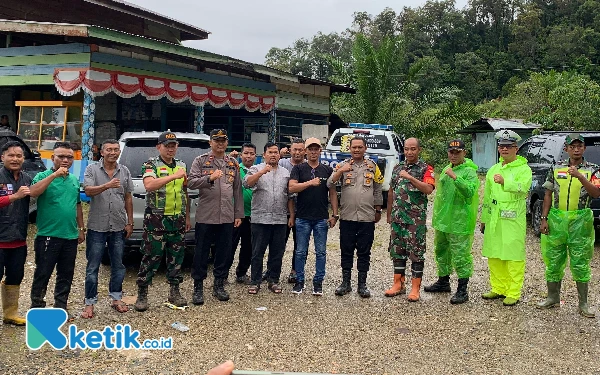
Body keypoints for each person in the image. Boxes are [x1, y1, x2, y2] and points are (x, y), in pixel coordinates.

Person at [538, 133, 598, 317]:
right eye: (573, 146)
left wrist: (580, 176)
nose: (576, 149)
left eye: (580, 146)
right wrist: (544, 218)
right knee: (554, 259)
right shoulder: (556, 168)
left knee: (580, 261)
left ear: (584, 149)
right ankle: (553, 297)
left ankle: (584, 304)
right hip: (557, 220)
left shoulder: (593, 170)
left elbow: (595, 193)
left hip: (580, 222)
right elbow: (548, 194)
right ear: (567, 149)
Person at [134, 131, 191, 312]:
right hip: (156, 220)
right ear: (159, 146)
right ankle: (142, 293)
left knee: (176, 257)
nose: (170, 149)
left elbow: (184, 192)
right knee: (151, 256)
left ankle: (174, 291)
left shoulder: (181, 165)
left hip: (177, 219)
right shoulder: (151, 164)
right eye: (167, 146)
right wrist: (173, 176)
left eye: (173, 145)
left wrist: (187, 215)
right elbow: (149, 185)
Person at [188, 129, 243, 304]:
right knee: (201, 252)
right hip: (206, 215)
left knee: (223, 252)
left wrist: (238, 214)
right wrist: (209, 178)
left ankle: (219, 284)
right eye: (216, 140)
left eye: (223, 141)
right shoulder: (201, 161)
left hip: (227, 215)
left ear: (227, 143)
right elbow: (190, 182)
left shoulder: (233, 163)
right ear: (210, 142)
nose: (220, 144)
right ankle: (198, 286)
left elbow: (238, 190)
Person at [29, 142, 85, 314]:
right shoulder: (42, 176)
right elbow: (33, 192)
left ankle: (60, 306)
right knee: (43, 272)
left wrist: (81, 228)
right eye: (61, 156)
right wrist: (54, 176)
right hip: (48, 235)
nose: (65, 160)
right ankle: (37, 306)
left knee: (66, 274)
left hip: (70, 236)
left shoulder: (74, 179)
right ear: (52, 158)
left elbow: (77, 205)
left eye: (69, 157)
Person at [81, 139, 134, 318]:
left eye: (116, 150)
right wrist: (106, 185)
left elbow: (128, 198)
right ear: (102, 152)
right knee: (93, 266)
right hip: (97, 226)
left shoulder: (124, 171)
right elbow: (88, 191)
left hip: (118, 226)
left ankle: (116, 298)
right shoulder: (92, 170)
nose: (113, 152)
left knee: (118, 265)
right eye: (109, 149)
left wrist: (130, 222)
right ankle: (89, 302)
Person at [481, 129, 532, 306]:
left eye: (508, 147)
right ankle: (498, 288)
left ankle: (513, 291)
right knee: (494, 254)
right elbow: (487, 197)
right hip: (495, 218)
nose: (504, 150)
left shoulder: (523, 168)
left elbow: (524, 187)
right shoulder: (493, 169)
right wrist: (484, 219)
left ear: (516, 149)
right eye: (501, 146)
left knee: (513, 255)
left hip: (512, 219)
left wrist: (505, 182)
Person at [425, 139, 479, 304]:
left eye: (457, 152)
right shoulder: (446, 169)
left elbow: (469, 192)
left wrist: (456, 177)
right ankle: (443, 281)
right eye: (451, 152)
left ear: (464, 153)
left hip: (459, 221)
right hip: (443, 220)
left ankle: (462, 289)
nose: (453, 155)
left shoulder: (470, 171)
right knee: (441, 251)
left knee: (461, 255)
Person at [328, 137, 383, 298]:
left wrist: (378, 209)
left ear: (365, 148)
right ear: (350, 149)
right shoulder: (343, 165)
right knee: (346, 250)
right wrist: (340, 171)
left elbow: (378, 188)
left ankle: (362, 284)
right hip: (347, 216)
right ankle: (345, 283)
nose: (357, 150)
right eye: (354, 147)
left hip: (366, 217)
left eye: (360, 147)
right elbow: (330, 184)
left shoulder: (373, 166)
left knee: (364, 251)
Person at [385, 138, 435, 302]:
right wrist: (389, 214)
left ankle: (415, 288)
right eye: (406, 149)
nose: (409, 152)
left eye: (413, 149)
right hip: (398, 219)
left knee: (416, 254)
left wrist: (411, 178)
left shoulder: (425, 169)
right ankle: (398, 284)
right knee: (397, 252)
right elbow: (392, 191)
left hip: (415, 221)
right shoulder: (398, 167)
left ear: (419, 150)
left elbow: (428, 189)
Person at [289, 137, 338, 295]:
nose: (313, 152)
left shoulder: (326, 170)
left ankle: (318, 282)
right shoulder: (299, 168)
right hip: (302, 217)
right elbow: (292, 188)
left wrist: (335, 215)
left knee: (321, 252)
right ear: (305, 151)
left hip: (321, 218)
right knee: (300, 252)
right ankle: (299, 281)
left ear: (320, 151)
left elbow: (332, 192)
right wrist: (310, 183)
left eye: (316, 149)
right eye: (310, 149)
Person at [244, 142, 292, 294]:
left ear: (279, 154)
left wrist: (292, 216)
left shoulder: (285, 172)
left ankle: (273, 280)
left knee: (277, 252)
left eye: (275, 152)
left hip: (280, 219)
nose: (273, 155)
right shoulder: (255, 169)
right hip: (260, 218)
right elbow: (246, 183)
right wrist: (261, 172)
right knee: (257, 251)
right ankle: (255, 281)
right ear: (264, 155)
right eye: (270, 152)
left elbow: (290, 196)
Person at [0, 141, 32, 325]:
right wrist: (14, 196)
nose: (15, 159)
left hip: (19, 238)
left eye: (19, 155)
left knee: (15, 276)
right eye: (11, 155)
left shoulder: (26, 178)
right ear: (2, 157)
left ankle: (10, 314)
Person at [225, 143, 256, 284]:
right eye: (246, 153)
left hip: (253, 216)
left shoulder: (258, 170)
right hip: (236, 214)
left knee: (248, 247)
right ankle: (222, 275)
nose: (249, 156)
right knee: (229, 246)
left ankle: (241, 273)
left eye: (252, 154)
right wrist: (229, 158)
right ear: (241, 155)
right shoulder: (235, 168)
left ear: (256, 155)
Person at [278, 138, 306, 283]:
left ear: (305, 151)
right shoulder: (282, 163)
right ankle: (273, 270)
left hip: (302, 212)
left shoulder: (309, 166)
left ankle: (295, 270)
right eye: (295, 149)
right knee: (278, 243)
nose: (297, 152)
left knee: (299, 245)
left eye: (300, 149)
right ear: (290, 150)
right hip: (282, 211)